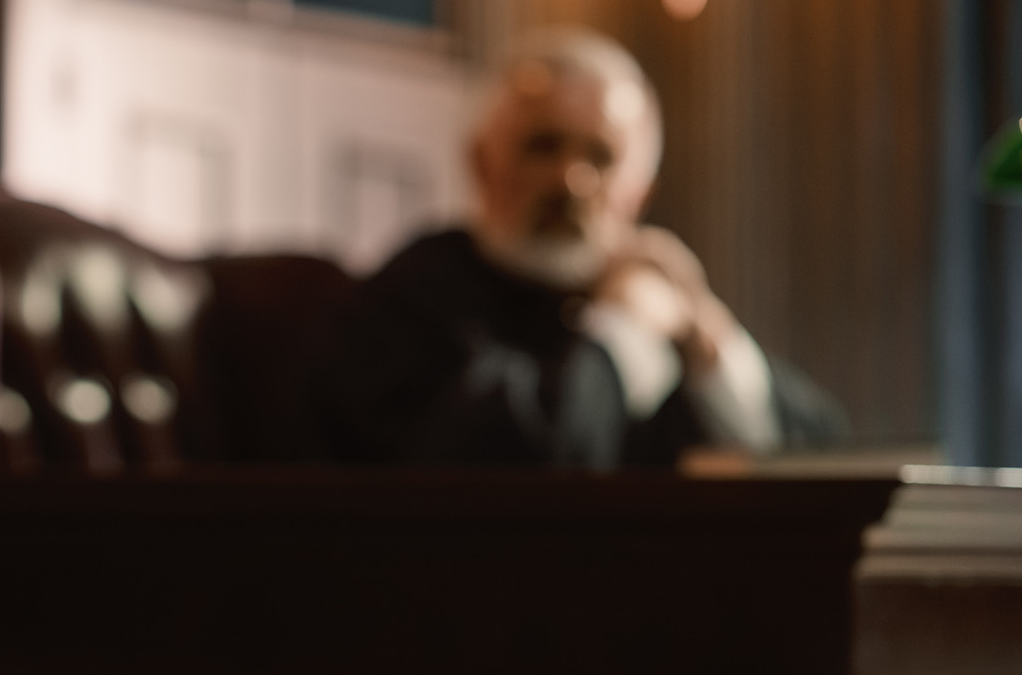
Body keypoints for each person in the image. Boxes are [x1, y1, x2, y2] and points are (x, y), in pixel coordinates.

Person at [319, 27, 844, 468]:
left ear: (640, 193)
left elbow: (821, 457)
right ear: (481, 163)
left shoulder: (661, 304)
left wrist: (708, 341)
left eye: (602, 156)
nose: (570, 180)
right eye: (542, 147)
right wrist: (626, 330)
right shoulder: (414, 295)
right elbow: (523, 464)